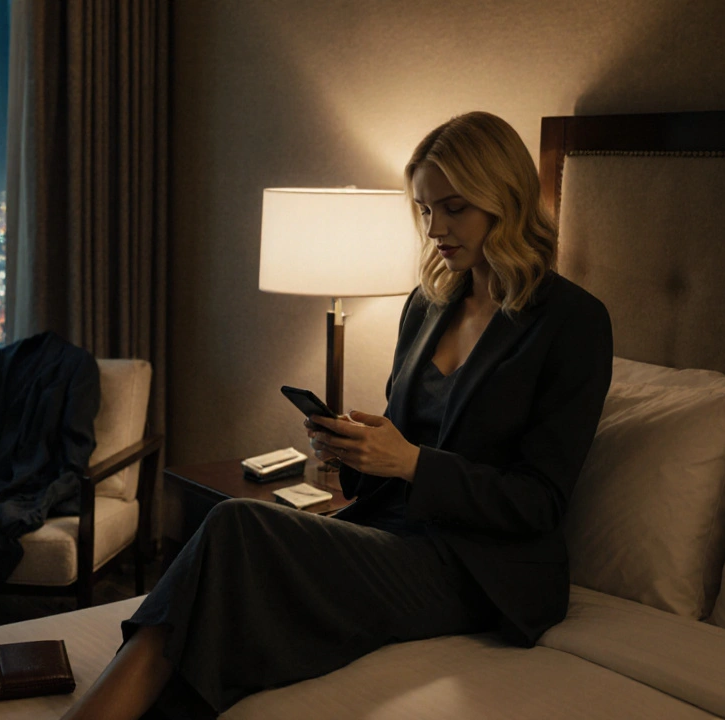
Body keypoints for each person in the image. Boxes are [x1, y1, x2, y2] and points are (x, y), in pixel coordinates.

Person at [61, 111, 613, 720]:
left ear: (502, 199)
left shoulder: (571, 323)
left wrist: (412, 463)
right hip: (389, 532)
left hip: (479, 569)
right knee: (236, 557)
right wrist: (355, 454)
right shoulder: (427, 307)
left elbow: (540, 502)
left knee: (237, 526)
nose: (435, 229)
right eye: (426, 210)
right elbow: (395, 463)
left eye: (453, 208)